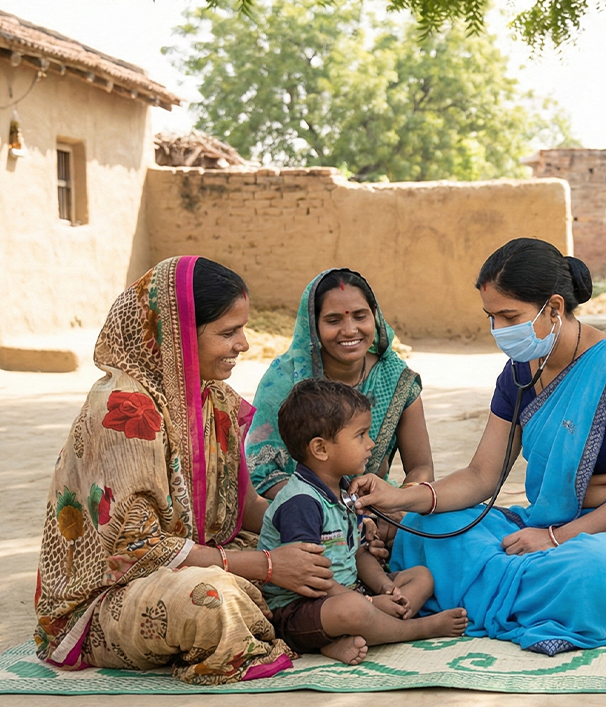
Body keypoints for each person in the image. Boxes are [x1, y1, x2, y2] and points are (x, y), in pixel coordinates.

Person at [351, 239, 606, 655]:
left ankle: (494, 589)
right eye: (492, 317)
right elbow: (480, 476)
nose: (500, 331)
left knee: (586, 574)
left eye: (510, 316)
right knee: (425, 529)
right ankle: (520, 587)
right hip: (545, 525)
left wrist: (559, 538)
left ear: (555, 309)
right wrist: (401, 497)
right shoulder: (518, 375)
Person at [35, 257, 334, 684]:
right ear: (175, 336)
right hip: (111, 594)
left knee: (328, 558)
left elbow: (245, 504)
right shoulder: (124, 407)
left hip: (205, 556)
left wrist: (320, 530)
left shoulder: (217, 400)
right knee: (212, 599)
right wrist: (268, 566)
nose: (244, 344)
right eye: (228, 333)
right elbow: (138, 549)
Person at [259, 379, 467, 665]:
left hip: (349, 590)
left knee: (421, 577)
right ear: (320, 449)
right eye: (361, 435)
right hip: (298, 609)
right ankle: (414, 629)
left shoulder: (344, 489)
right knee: (352, 609)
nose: (371, 444)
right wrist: (369, 603)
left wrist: (385, 589)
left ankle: (348, 637)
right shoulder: (301, 503)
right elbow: (308, 578)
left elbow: (356, 553)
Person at [247, 268, 434, 499]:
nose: (349, 330)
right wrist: (337, 509)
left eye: (360, 316)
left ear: (374, 315)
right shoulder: (285, 379)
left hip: (375, 507)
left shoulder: (395, 378)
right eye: (333, 320)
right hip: (303, 511)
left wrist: (401, 504)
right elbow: (261, 474)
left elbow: (421, 467)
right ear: (313, 324)